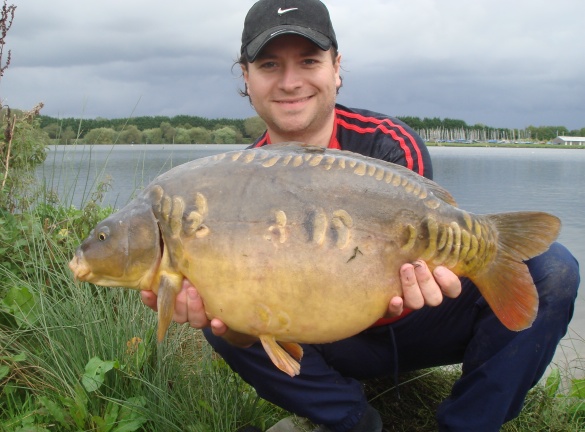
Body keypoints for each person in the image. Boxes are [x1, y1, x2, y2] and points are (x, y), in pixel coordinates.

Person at [141, 1, 580, 430]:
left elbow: (406, 274)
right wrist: (233, 324)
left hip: (414, 322)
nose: (290, 82)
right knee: (215, 312)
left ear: (336, 67)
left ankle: (470, 422)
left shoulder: (390, 145)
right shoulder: (232, 183)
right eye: (270, 65)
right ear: (247, 77)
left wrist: (439, 265)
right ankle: (353, 420)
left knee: (553, 270)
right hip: (325, 338)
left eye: (309, 61)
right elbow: (246, 319)